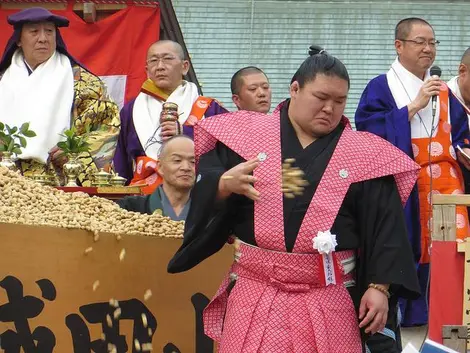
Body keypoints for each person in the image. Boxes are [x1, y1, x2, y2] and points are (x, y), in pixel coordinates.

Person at [167, 49, 421, 352]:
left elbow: (387, 225)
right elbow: (207, 180)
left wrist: (380, 287)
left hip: (330, 292)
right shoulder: (244, 135)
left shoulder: (365, 155)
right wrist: (222, 185)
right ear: (295, 89)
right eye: (321, 97)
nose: (330, 108)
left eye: (339, 102)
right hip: (255, 288)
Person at [355, 17, 470, 328]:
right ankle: (408, 323)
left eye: (433, 43)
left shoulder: (444, 90)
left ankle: (448, 322)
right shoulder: (381, 86)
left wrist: (463, 150)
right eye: (420, 41)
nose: (428, 49)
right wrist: (413, 106)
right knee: (408, 247)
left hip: (448, 186)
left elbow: (460, 133)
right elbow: (367, 130)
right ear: (399, 45)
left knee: (453, 253)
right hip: (406, 183)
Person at [0, 7, 120, 186]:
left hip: (60, 183)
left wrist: (73, 152)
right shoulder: (2, 80)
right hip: (6, 183)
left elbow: (107, 127)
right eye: (34, 31)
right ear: (18, 39)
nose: (43, 38)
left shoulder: (83, 83)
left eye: (49, 31)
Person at [113, 40, 227, 194]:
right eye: (154, 60)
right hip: (143, 197)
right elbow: (121, 160)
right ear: (147, 70)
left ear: (185, 66)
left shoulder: (209, 107)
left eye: (167, 59)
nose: (160, 66)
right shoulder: (131, 109)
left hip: (198, 195)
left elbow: (225, 152)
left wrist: (185, 132)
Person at [117, 135, 194, 221]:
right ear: (160, 167)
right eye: (177, 160)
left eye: (193, 162)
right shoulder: (129, 208)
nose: (186, 167)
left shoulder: (208, 213)